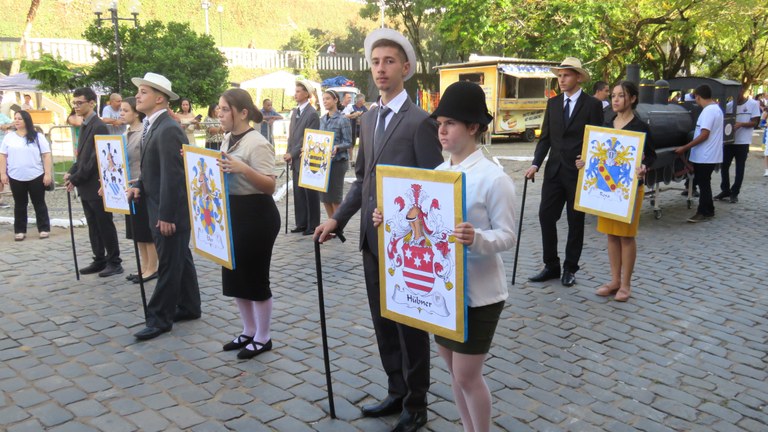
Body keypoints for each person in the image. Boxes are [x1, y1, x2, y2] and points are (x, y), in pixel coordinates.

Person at [315, 28, 443, 432]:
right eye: (375, 62)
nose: (381, 69)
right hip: (372, 242)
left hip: (407, 245)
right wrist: (337, 219)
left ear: (405, 68)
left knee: (410, 324)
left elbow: (433, 189)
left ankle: (417, 403)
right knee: (383, 320)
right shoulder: (368, 118)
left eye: (389, 61)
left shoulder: (421, 122)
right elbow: (362, 179)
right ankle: (395, 389)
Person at [374, 80, 516, 432]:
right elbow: (423, 226)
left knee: (467, 375)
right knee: (454, 372)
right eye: (439, 123)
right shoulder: (438, 174)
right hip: (444, 292)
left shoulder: (494, 178)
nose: (441, 130)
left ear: (473, 127)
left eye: (450, 123)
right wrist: (387, 219)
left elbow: (507, 236)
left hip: (479, 295)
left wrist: (476, 238)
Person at [127, 72, 201, 341]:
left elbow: (174, 176)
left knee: (168, 264)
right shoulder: (152, 125)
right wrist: (139, 185)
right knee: (180, 257)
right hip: (156, 204)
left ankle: (159, 318)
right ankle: (190, 306)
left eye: (144, 92)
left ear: (159, 98)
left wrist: (167, 215)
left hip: (168, 211)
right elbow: (153, 167)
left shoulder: (168, 128)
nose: (137, 96)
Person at [524, 57, 603, 287]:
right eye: (559, 76)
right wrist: (535, 164)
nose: (561, 79)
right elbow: (545, 138)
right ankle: (551, 265)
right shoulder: (554, 103)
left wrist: (589, 159)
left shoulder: (592, 105)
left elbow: (598, 139)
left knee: (575, 221)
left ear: (578, 77)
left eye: (566, 75)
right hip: (554, 171)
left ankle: (570, 268)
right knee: (546, 216)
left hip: (578, 173)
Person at [576, 81, 656, 302]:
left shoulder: (640, 127)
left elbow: (651, 156)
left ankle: (626, 284)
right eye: (613, 95)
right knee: (611, 235)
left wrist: (644, 167)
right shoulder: (606, 123)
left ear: (632, 98)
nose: (616, 99)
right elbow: (596, 153)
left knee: (626, 237)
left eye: (621, 95)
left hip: (628, 191)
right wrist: (584, 162)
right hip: (607, 190)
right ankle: (614, 281)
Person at [215, 88, 280, 360]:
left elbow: (270, 185)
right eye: (219, 108)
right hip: (234, 213)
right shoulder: (227, 138)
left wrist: (244, 169)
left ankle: (263, 337)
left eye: (225, 109)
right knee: (235, 276)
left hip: (257, 214)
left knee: (254, 277)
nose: (219, 114)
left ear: (242, 113)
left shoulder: (257, 143)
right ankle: (248, 330)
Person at [64, 87, 123, 277]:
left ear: (91, 103)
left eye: (79, 102)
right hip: (85, 185)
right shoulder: (84, 124)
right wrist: (72, 171)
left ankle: (114, 261)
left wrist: (76, 178)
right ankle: (99, 258)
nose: (76, 106)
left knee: (104, 223)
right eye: (74, 103)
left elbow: (95, 158)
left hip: (96, 184)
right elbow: (82, 156)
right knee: (93, 224)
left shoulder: (99, 126)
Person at [121, 97, 158, 284]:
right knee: (136, 231)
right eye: (121, 110)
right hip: (129, 187)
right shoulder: (126, 133)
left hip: (141, 185)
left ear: (136, 113)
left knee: (145, 230)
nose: (122, 114)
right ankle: (144, 266)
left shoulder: (144, 131)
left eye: (126, 110)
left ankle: (153, 267)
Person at [0, 110, 52, 241]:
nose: (16, 121)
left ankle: (44, 228)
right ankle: (20, 230)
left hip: (36, 175)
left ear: (26, 120)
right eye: (15, 118)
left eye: (20, 118)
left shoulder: (37, 137)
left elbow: (46, 155)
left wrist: (47, 174)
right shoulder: (9, 137)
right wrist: (3, 173)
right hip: (16, 176)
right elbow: (3, 155)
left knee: (39, 202)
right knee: (19, 204)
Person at [674, 84, 723, 223]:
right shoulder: (716, 109)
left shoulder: (708, 111)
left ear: (698, 97)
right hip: (709, 154)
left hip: (705, 155)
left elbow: (704, 134)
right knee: (705, 182)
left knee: (703, 184)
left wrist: (685, 147)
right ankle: (709, 209)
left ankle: (703, 212)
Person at [284, 80, 321, 235]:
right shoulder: (295, 112)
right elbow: (292, 136)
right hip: (296, 158)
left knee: (310, 193)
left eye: (299, 91)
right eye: (296, 91)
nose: (296, 94)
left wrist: (292, 153)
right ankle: (301, 222)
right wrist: (288, 152)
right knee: (298, 192)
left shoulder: (312, 114)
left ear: (307, 94)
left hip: (307, 158)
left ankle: (313, 224)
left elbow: (307, 137)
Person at [716, 87, 759, 203]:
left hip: (743, 142)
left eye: (737, 93)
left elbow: (755, 122)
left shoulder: (753, 104)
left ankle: (735, 192)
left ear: (742, 91)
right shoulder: (729, 105)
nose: (736, 96)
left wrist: (741, 124)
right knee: (724, 166)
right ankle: (725, 190)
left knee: (740, 168)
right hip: (729, 141)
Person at [319, 89, 353, 219]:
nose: (325, 101)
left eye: (327, 98)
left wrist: (337, 147)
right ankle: (331, 223)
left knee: (335, 197)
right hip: (324, 163)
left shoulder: (343, 119)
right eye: (323, 99)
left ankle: (337, 224)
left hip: (338, 162)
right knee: (325, 197)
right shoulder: (322, 119)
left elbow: (349, 142)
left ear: (335, 100)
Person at [343, 93, 368, 162]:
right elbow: (350, 116)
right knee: (352, 144)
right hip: (353, 128)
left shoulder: (364, 108)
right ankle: (350, 159)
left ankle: (361, 159)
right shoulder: (352, 107)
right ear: (360, 100)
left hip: (361, 128)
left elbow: (367, 115)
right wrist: (356, 114)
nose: (364, 101)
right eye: (363, 100)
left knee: (363, 143)